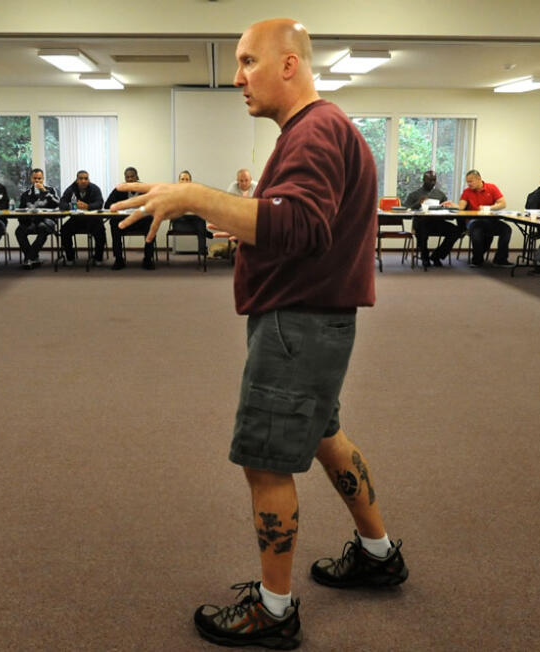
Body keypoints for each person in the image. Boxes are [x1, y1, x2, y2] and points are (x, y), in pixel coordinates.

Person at [112, 18, 406, 649]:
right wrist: (240, 221)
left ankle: (274, 612)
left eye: (248, 62)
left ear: (290, 65)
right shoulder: (319, 129)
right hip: (316, 320)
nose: (239, 77)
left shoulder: (316, 130)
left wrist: (192, 196)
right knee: (324, 434)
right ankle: (379, 553)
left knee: (265, 463)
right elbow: (293, 224)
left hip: (297, 326)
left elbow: (299, 225)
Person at [446, 169, 509, 267]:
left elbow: (503, 204)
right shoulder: (467, 192)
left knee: (506, 229)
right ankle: (477, 260)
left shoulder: (492, 188)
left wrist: (489, 208)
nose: (469, 184)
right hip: (473, 220)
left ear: (479, 179)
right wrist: (452, 205)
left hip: (490, 220)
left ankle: (500, 259)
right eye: (467, 182)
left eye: (471, 181)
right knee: (477, 230)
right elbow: (461, 207)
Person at [404, 170, 457, 268]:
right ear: (423, 180)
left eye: (434, 180)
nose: (432, 182)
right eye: (430, 180)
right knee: (422, 230)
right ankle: (425, 257)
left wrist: (446, 207)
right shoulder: (414, 194)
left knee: (455, 231)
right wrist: (418, 203)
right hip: (421, 223)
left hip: (438, 222)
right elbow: (406, 209)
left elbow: (446, 209)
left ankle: (436, 256)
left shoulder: (440, 194)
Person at [105, 167, 156, 270]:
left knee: (151, 223)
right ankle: (119, 259)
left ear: (137, 177)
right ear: (125, 179)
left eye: (132, 176)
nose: (130, 179)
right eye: (127, 177)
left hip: (141, 221)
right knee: (114, 222)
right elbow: (107, 205)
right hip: (125, 221)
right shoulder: (119, 189)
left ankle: (148, 259)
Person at [15, 167, 60, 270]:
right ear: (31, 179)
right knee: (19, 231)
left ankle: (29, 257)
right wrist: (26, 218)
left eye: (39, 178)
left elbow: (58, 204)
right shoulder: (26, 194)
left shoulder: (51, 190)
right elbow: (20, 210)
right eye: (35, 178)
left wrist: (45, 192)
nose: (37, 181)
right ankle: (34, 257)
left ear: (43, 179)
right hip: (30, 221)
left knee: (42, 227)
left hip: (47, 221)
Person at [58, 170, 106, 265]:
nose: (83, 181)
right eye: (81, 178)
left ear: (89, 180)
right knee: (64, 230)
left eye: (86, 178)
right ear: (77, 180)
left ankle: (98, 258)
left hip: (92, 220)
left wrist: (88, 206)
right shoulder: (71, 189)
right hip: (76, 220)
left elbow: (100, 203)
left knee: (100, 230)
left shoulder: (94, 188)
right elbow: (61, 204)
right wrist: (72, 206)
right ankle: (70, 258)